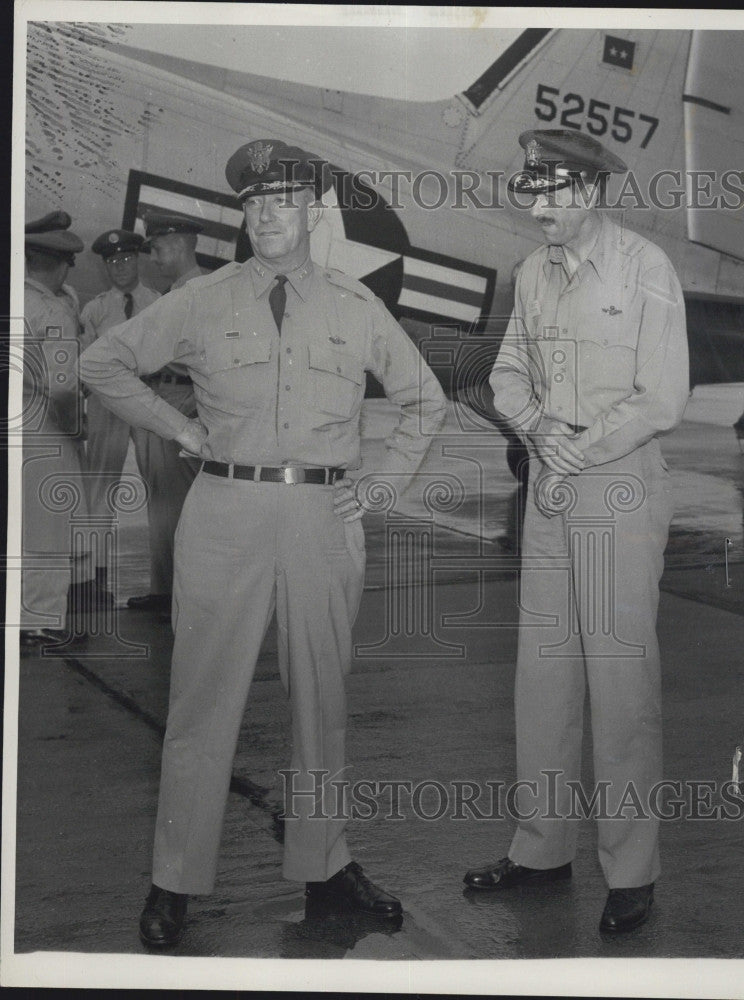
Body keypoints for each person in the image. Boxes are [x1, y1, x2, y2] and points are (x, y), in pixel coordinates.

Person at [79, 138, 447, 948]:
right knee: (201, 706)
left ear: (312, 211)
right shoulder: (204, 298)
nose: (267, 214)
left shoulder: (356, 304)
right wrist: (179, 425)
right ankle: (175, 880)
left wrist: (383, 485)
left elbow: (425, 399)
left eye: (283, 200)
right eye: (254, 202)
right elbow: (103, 363)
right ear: (243, 213)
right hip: (225, 513)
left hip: (324, 519)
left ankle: (326, 870)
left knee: (324, 702)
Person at [467, 130, 689, 934]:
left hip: (619, 486)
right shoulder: (532, 273)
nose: (539, 206)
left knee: (622, 685)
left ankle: (632, 872)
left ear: (591, 192)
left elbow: (661, 398)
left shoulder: (644, 269)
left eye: (554, 192)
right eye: (533, 190)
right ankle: (541, 849)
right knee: (544, 677)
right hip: (552, 486)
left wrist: (574, 445)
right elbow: (506, 373)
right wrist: (536, 431)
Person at [125, 213, 205, 613]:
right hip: (166, 398)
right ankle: (165, 591)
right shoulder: (184, 291)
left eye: (155, 249)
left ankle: (176, 596)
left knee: (173, 503)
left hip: (179, 401)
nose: (153, 259)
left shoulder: (193, 294)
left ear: (177, 244)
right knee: (163, 501)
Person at [80, 230, 160, 602]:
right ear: (105, 266)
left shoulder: (158, 303)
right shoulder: (94, 310)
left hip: (148, 399)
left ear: (138, 260)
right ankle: (93, 577)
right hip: (106, 404)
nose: (120, 267)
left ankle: (166, 579)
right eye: (112, 262)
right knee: (99, 488)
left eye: (126, 259)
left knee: (161, 488)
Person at [21, 211, 86, 647]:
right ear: (61, 263)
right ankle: (39, 621)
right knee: (49, 528)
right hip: (46, 428)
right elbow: (63, 390)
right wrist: (78, 430)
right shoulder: (54, 311)